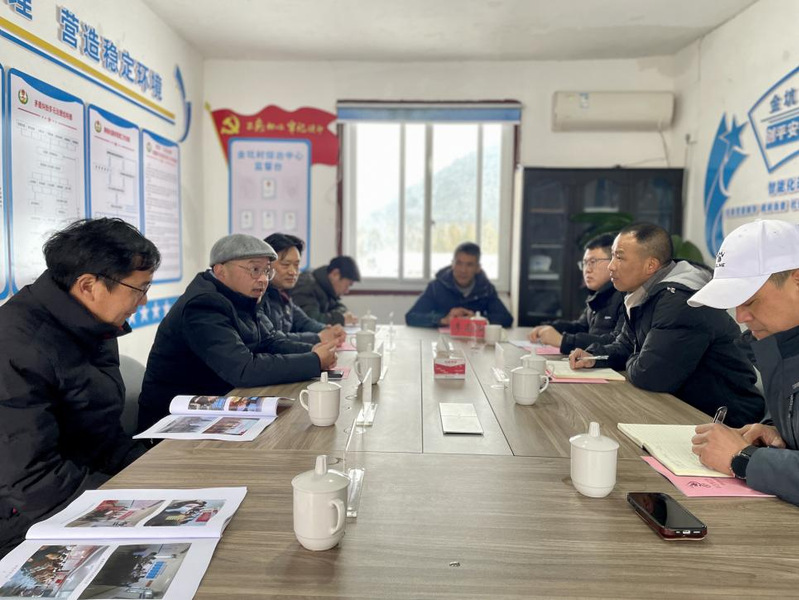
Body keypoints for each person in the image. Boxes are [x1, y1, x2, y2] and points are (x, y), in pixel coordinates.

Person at [0, 218, 161, 557]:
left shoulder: (93, 324)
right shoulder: (17, 348)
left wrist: (154, 473)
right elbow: (33, 484)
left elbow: (103, 433)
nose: (144, 301)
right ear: (89, 285)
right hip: (24, 521)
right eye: (139, 289)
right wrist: (137, 506)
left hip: (85, 486)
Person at [569, 222, 764, 428]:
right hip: (681, 407)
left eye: (619, 257)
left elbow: (651, 375)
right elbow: (625, 345)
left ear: (650, 266)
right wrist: (595, 357)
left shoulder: (680, 301)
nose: (611, 266)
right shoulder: (643, 294)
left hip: (725, 419)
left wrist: (635, 356)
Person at [138, 234, 337, 432]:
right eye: (255, 270)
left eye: (267, 271)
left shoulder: (242, 297)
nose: (263, 279)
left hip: (216, 404)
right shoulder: (203, 305)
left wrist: (313, 350)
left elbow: (270, 340)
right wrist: (314, 361)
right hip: (174, 422)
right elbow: (244, 369)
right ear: (220, 270)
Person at [689, 220, 799, 504]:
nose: (740, 317)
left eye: (750, 301)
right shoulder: (781, 343)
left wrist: (743, 458)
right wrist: (778, 431)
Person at [528, 233, 623, 354]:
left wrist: (563, 340)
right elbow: (581, 327)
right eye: (585, 263)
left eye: (593, 261)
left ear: (613, 262)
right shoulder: (597, 295)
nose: (587, 269)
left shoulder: (623, 296)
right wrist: (551, 327)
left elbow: (616, 344)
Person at [405, 241, 513, 327]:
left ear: (478, 268)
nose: (463, 270)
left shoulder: (486, 289)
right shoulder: (436, 286)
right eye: (459, 263)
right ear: (452, 264)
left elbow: (507, 319)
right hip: (441, 342)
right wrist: (443, 319)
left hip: (474, 343)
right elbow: (411, 316)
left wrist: (478, 319)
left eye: (469, 265)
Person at [263, 233, 345, 345]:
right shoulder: (259, 297)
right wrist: (318, 337)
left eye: (296, 265)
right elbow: (274, 339)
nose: (293, 272)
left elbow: (304, 322)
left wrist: (327, 329)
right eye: (285, 264)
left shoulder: (283, 294)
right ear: (266, 265)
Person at [291, 255, 360, 325]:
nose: (347, 291)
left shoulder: (326, 287)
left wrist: (336, 316)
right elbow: (310, 321)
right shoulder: (306, 286)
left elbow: (341, 307)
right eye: (347, 285)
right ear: (335, 274)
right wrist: (340, 319)